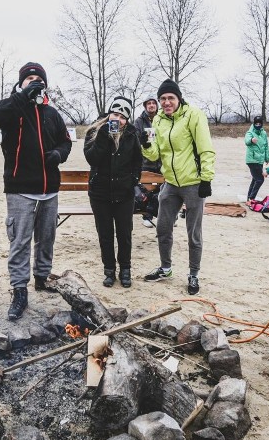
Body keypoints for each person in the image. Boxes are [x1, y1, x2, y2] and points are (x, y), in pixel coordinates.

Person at [0, 62, 72, 320]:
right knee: (20, 241)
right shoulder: (13, 109)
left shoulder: (52, 113)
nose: (34, 82)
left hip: (49, 189)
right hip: (20, 189)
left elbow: (65, 142)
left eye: (38, 79)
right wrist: (22, 97)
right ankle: (19, 290)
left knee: (47, 237)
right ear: (21, 83)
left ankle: (42, 278)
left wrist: (58, 154)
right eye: (29, 78)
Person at [142, 79, 215, 295]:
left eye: (170, 98)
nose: (166, 102)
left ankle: (193, 274)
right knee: (163, 228)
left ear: (178, 98)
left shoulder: (194, 115)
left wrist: (206, 179)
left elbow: (206, 149)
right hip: (171, 184)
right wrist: (146, 145)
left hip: (193, 184)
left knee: (194, 233)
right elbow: (155, 153)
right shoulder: (157, 121)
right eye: (162, 98)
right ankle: (165, 268)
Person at [83, 96, 142, 289]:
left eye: (122, 117)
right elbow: (92, 158)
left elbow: (137, 161)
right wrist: (104, 136)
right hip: (100, 193)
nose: (118, 119)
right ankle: (109, 270)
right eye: (115, 114)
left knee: (124, 233)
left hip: (124, 194)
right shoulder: (94, 131)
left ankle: (125, 269)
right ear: (109, 114)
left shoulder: (132, 133)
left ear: (127, 119)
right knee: (105, 234)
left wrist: (133, 180)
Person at [133, 97, 160, 227]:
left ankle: (163, 215)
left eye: (153, 103)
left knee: (161, 188)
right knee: (146, 188)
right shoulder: (138, 121)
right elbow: (134, 138)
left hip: (160, 160)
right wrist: (143, 140)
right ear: (145, 106)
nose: (151, 105)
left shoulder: (162, 119)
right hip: (145, 161)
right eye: (148, 103)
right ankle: (147, 216)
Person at [244, 116, 269, 204]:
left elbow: (266, 146)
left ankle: (249, 198)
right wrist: (251, 140)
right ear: (254, 124)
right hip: (252, 160)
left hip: (260, 160)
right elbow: (246, 141)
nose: (258, 125)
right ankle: (251, 198)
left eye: (259, 124)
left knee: (255, 179)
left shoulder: (264, 133)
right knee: (260, 179)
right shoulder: (250, 132)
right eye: (256, 123)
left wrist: (267, 158)